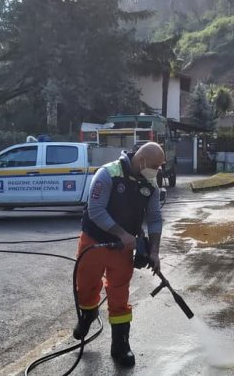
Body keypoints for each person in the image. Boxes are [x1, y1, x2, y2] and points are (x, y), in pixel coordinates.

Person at [73, 142, 165, 368]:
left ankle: (120, 344)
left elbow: (154, 218)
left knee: (119, 293)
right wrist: (122, 233)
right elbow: (95, 210)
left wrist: (154, 251)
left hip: (122, 249)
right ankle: (87, 315)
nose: (157, 170)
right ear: (141, 160)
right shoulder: (107, 174)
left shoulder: (151, 184)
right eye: (154, 165)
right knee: (85, 285)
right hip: (94, 241)